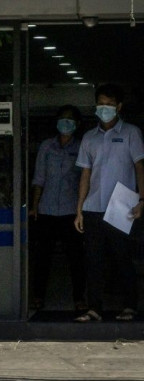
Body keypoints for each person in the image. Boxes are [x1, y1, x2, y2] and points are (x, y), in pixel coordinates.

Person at [73, 83, 144, 322]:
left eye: (110, 105)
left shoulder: (131, 133)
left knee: (122, 258)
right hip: (93, 206)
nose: (105, 108)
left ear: (119, 107)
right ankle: (94, 308)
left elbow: (139, 167)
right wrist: (79, 209)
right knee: (93, 260)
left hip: (121, 206)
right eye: (101, 104)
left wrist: (142, 199)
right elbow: (85, 173)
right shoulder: (89, 137)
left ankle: (130, 306)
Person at [29, 105, 86, 313]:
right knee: (43, 257)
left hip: (72, 210)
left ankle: (79, 297)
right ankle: (38, 296)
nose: (65, 122)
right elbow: (39, 177)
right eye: (62, 118)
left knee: (76, 258)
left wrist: (82, 210)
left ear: (77, 124)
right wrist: (35, 206)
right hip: (47, 209)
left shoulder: (82, 146)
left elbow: (85, 180)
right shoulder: (47, 146)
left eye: (70, 119)